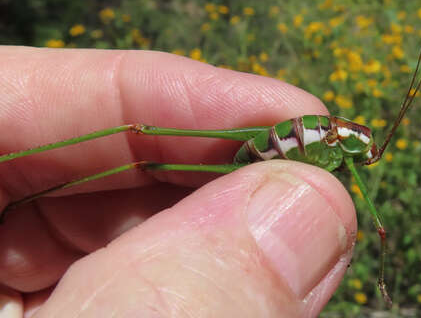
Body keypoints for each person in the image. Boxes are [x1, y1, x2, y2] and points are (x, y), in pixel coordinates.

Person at [0, 47, 357, 317]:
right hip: (263, 155)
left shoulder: (340, 144)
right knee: (139, 138)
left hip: (292, 145)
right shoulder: (339, 149)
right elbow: (377, 225)